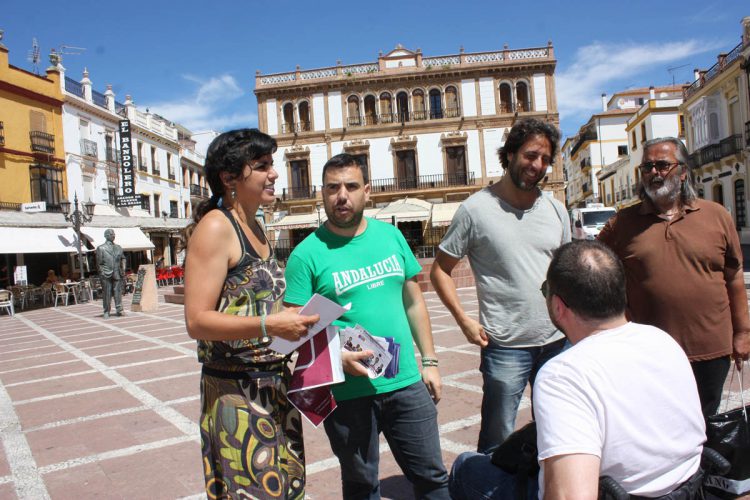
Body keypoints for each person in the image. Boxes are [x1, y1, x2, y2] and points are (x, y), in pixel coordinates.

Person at [449, 240, 705, 499]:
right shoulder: (662, 339)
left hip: (622, 493)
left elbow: (571, 495)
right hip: (685, 487)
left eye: (545, 290)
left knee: (466, 467)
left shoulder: (563, 374)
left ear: (558, 307)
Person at [284, 153, 450, 499]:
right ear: (322, 194)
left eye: (351, 186)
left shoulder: (391, 236)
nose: (341, 195)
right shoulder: (306, 254)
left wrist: (430, 361)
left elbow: (413, 301)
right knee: (361, 486)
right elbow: (293, 329)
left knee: (433, 477)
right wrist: (336, 358)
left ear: (367, 191)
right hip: (348, 393)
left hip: (405, 381)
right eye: (332, 188)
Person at [183, 129, 319, 499]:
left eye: (271, 164)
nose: (274, 173)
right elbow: (196, 321)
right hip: (236, 394)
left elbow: (258, 307)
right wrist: (268, 323)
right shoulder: (216, 227)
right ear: (229, 178)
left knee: (286, 489)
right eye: (261, 166)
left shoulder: (257, 227)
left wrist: (318, 342)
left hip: (272, 387)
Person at [430, 118, 570, 453]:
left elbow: (567, 271)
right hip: (504, 346)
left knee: (557, 432)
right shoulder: (476, 210)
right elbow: (440, 270)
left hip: (557, 342)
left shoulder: (556, 209)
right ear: (509, 154)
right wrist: (464, 320)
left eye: (545, 159)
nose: (537, 165)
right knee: (496, 439)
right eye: (530, 155)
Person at [598, 137, 750, 416]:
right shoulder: (622, 223)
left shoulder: (716, 215)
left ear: (683, 172)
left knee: (706, 424)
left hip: (711, 350)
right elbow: (594, 270)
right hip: (649, 353)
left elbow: (734, 275)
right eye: (647, 167)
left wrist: (742, 332)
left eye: (662, 165)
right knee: (656, 423)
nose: (654, 172)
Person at [96, 229, 124, 319]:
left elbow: (123, 258)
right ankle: (106, 311)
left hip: (117, 273)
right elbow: (99, 263)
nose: (113, 235)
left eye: (114, 234)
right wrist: (102, 273)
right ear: (106, 236)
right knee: (107, 293)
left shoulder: (118, 247)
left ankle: (119, 309)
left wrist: (123, 268)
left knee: (118, 292)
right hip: (106, 274)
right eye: (111, 234)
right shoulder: (101, 248)